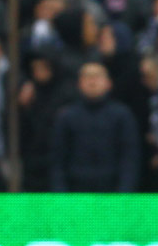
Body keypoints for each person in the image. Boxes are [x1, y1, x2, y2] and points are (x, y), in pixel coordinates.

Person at [51, 61, 140, 192]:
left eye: (97, 76)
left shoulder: (122, 115)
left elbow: (129, 158)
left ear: (108, 83)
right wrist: (61, 196)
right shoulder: (66, 117)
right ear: (79, 83)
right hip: (76, 193)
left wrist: (124, 194)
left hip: (112, 192)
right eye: (87, 77)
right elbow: (57, 160)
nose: (92, 81)